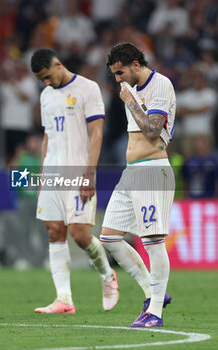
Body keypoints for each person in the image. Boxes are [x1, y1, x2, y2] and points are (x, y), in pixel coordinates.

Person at [30, 48, 119, 314]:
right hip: (53, 174)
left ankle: (107, 275)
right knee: (54, 230)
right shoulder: (46, 96)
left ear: (58, 64)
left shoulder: (87, 88)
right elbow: (47, 139)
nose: (46, 83)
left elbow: (97, 134)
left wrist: (89, 174)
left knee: (79, 235)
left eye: (47, 76)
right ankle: (64, 299)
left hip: (78, 172)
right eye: (41, 80)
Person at [100, 43, 176, 327]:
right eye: (114, 75)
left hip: (152, 171)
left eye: (120, 72)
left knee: (153, 242)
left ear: (134, 64)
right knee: (108, 237)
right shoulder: (132, 88)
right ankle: (153, 292)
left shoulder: (160, 85)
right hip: (131, 172)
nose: (117, 79)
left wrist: (130, 100)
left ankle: (154, 312)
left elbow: (154, 131)